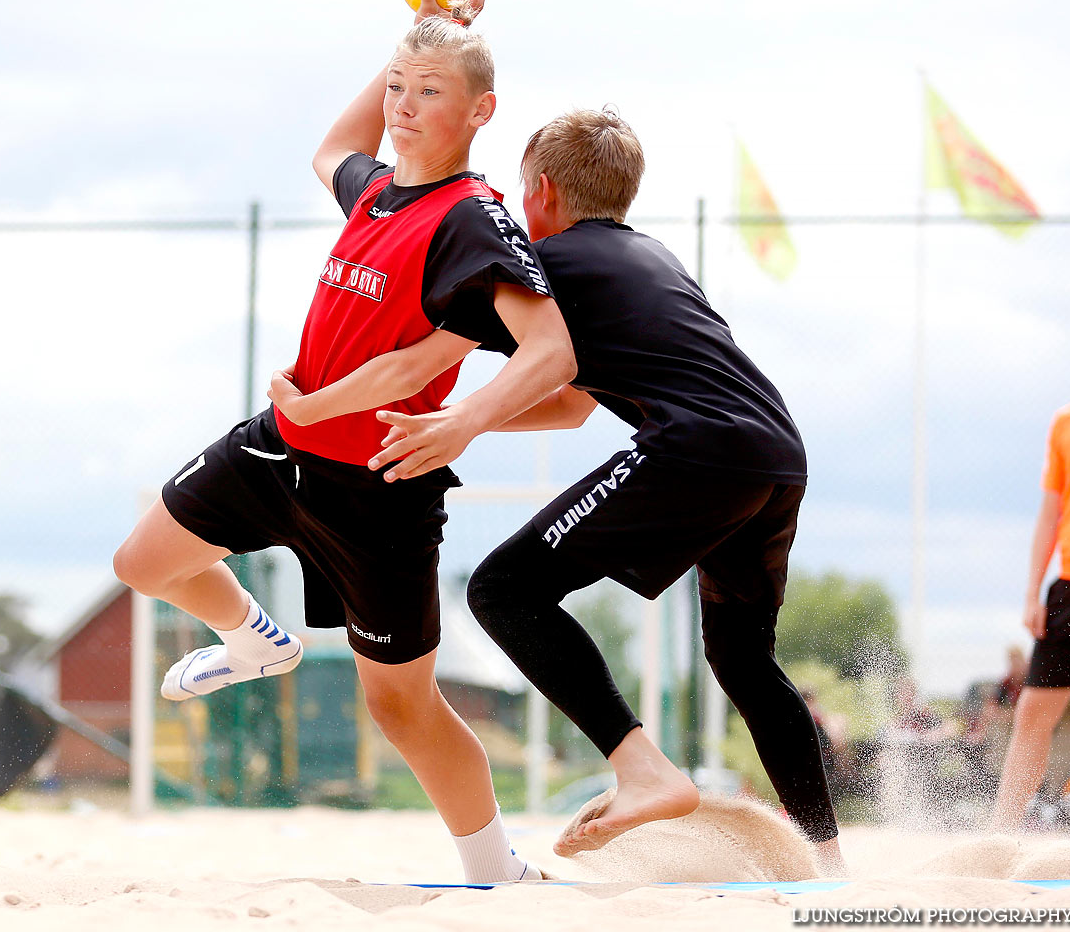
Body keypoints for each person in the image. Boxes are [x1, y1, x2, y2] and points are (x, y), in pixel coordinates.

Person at [274, 108, 845, 873]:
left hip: (698, 448)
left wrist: (365, 410)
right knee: (744, 659)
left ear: (539, 191)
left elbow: (414, 353)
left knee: (504, 589)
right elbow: (574, 403)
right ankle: (828, 864)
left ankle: (640, 769)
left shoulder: (547, 267)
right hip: (773, 453)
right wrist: (459, 425)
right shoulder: (652, 258)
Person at [111, 0, 575, 884]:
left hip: (380, 492)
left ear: (481, 111)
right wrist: (413, 42)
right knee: (142, 563)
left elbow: (551, 351)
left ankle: (497, 873)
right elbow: (333, 145)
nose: (402, 107)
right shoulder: (371, 190)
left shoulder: (474, 219)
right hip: (285, 446)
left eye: (427, 92)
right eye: (396, 88)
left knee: (401, 708)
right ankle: (253, 640)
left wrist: (464, 422)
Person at [992, 400, 1070, 829]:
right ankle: (1002, 834)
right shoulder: (1068, 421)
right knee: (1032, 714)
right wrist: (1033, 592)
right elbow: (1051, 514)